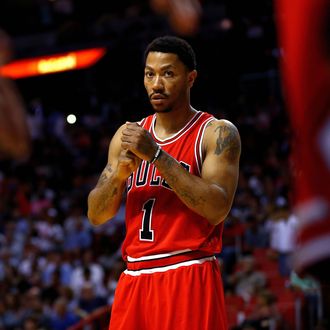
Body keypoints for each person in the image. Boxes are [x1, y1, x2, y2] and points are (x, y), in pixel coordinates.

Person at [87, 35, 241, 330]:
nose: (156, 84)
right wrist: (119, 175)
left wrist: (156, 155)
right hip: (135, 277)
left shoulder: (216, 133)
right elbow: (96, 215)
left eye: (168, 73)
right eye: (150, 74)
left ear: (190, 78)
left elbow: (217, 208)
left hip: (188, 271)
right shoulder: (127, 135)